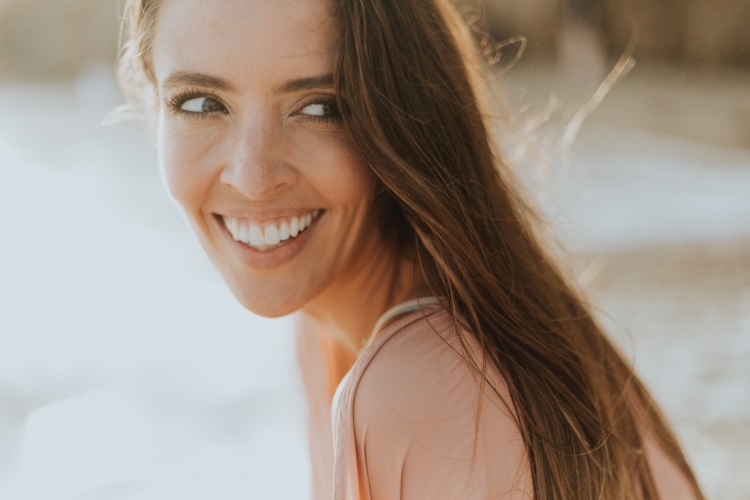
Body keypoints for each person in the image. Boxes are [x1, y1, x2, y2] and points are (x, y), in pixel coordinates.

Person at [116, 0, 705, 498]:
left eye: (321, 106)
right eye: (199, 103)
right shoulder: (329, 325)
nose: (252, 175)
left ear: (405, 119)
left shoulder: (421, 388)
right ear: (152, 107)